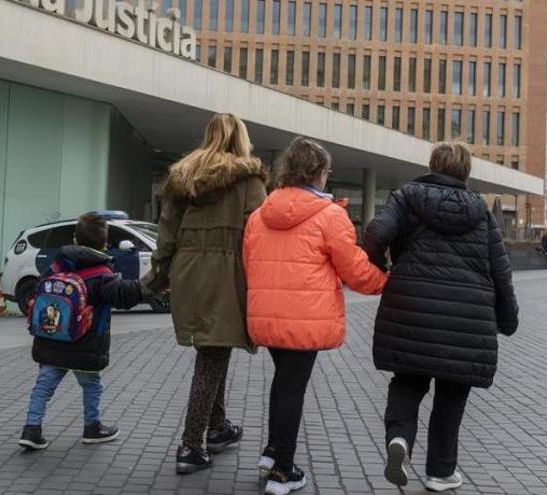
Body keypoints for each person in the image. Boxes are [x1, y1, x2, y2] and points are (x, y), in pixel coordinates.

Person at [363, 142, 519, 492]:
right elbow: (501, 272)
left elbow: (376, 233)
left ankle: (400, 439)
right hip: (467, 319)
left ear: (432, 164)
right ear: (466, 172)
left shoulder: (406, 198)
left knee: (407, 381)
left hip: (410, 308)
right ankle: (441, 471)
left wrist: (379, 267)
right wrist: (508, 320)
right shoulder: (482, 213)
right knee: (452, 393)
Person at [242, 137, 388, 495]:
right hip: (304, 318)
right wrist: (384, 282)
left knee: (282, 382)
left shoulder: (260, 214)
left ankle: (274, 449)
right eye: (327, 170)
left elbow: (249, 264)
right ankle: (283, 472)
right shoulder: (329, 215)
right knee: (292, 388)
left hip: (266, 315)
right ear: (319, 172)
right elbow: (353, 268)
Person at [142, 113, 268, 474]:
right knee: (211, 356)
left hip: (188, 270)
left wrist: (158, 276)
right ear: (240, 139)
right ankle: (190, 445)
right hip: (227, 274)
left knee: (213, 347)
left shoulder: (183, 178)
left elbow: (166, 235)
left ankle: (217, 427)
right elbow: (258, 237)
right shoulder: (250, 180)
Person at [19, 213, 149, 450]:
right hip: (85, 344)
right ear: (105, 243)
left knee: (44, 385)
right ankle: (92, 427)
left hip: (52, 340)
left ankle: (31, 428)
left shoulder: (56, 265)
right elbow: (124, 296)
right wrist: (150, 286)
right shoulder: (102, 274)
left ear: (76, 238)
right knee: (91, 385)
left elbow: (38, 292)